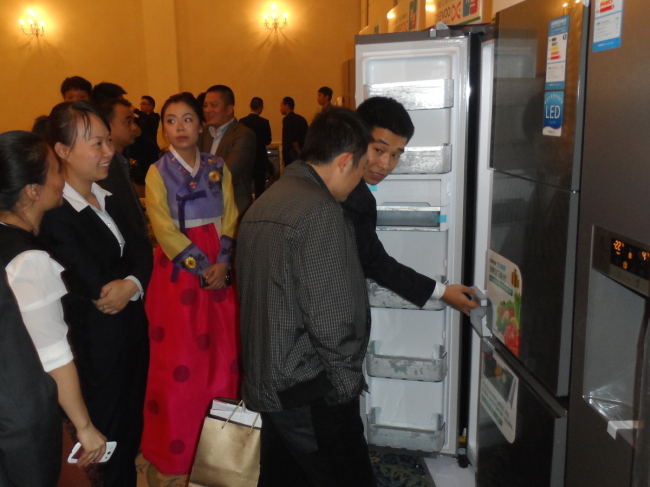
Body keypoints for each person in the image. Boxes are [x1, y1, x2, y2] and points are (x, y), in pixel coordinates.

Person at [237, 107, 376, 486]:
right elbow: (334, 319)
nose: (361, 180)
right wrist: (347, 387)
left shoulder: (266, 201)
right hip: (309, 386)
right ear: (345, 161)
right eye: (363, 168)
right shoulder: (320, 212)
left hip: (269, 380)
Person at [40, 102, 152, 486]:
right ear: (63, 151)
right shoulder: (56, 213)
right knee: (105, 443)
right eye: (97, 143)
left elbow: (142, 248)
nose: (109, 151)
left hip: (132, 335)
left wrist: (133, 284)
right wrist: (127, 281)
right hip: (96, 352)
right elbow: (95, 283)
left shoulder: (110, 196)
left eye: (108, 141)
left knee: (130, 429)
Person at [141, 92, 241, 475]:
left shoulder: (218, 165)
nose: (179, 127)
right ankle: (178, 447)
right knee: (181, 357)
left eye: (187, 119)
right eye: (170, 120)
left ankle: (225, 447)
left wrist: (223, 261)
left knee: (224, 351)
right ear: (162, 126)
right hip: (179, 271)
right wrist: (202, 267)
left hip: (220, 261)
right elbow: (163, 228)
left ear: (202, 125)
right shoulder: (157, 171)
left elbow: (231, 213)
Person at [0, 131, 107, 484]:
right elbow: (55, 356)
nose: (62, 179)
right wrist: (85, 427)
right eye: (55, 171)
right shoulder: (28, 260)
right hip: (18, 424)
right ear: (33, 190)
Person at [343, 96, 477, 314]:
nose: (385, 164)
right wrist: (442, 292)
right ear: (356, 137)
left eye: (396, 155)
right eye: (379, 149)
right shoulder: (353, 196)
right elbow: (375, 262)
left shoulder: (349, 186)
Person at [199, 84, 256, 215]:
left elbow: (226, 174)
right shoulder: (204, 133)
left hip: (234, 209)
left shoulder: (243, 134)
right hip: (207, 208)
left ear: (229, 109)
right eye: (205, 105)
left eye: (213, 105)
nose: (207, 110)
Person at [96, 98, 149, 236]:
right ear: (107, 126)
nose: (134, 128)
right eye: (127, 122)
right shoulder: (104, 167)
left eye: (134, 121)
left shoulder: (120, 160)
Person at [239, 96, 272, 199]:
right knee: (259, 186)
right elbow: (268, 140)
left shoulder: (242, 121)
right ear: (261, 107)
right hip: (260, 157)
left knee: (246, 185)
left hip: (246, 157)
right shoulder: (264, 122)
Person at [280, 96, 308, 166]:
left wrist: (298, 151)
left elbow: (292, 138)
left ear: (286, 106)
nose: (280, 108)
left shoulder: (287, 120)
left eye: (281, 105)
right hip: (303, 151)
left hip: (291, 154)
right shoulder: (302, 119)